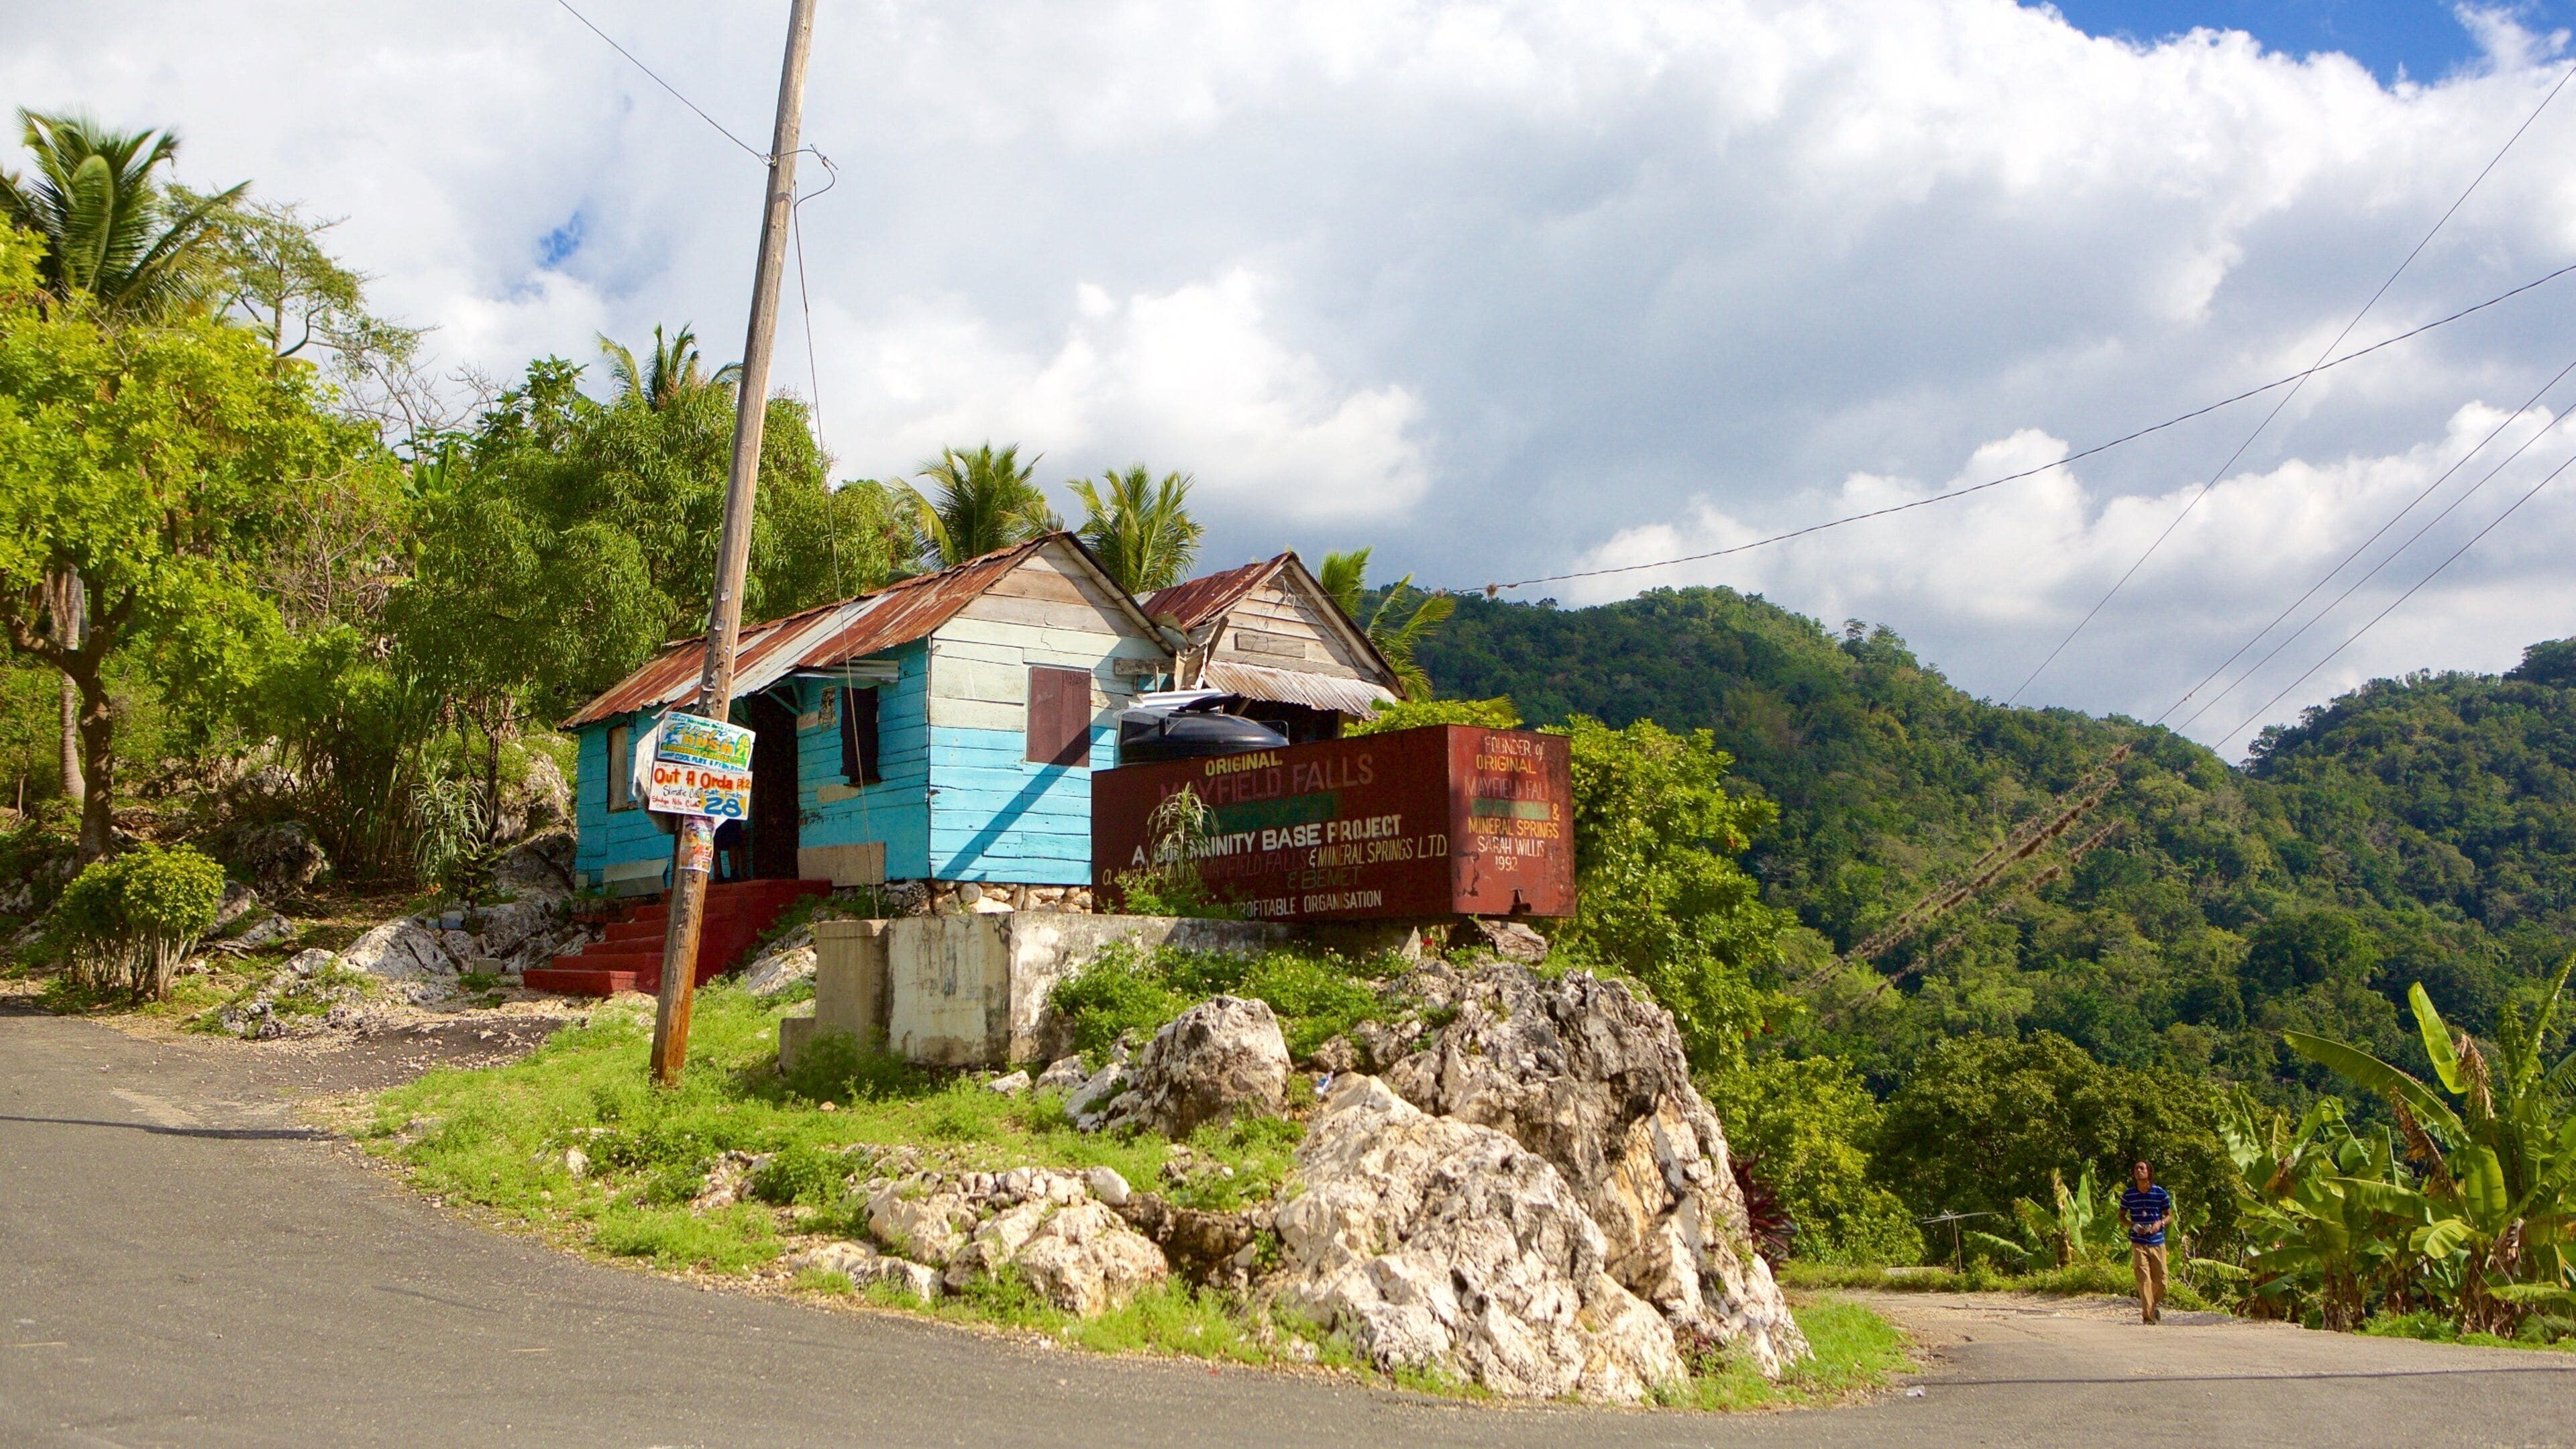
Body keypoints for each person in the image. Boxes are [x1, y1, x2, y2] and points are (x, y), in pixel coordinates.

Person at [2121, 1160, 2174, 1324]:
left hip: (2157, 1241)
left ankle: (2151, 1305)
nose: (2138, 1171)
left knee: (2162, 1280)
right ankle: (2148, 1318)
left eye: (2142, 1168)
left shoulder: (2160, 1193)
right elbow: (2121, 1217)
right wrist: (2133, 1225)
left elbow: (2170, 1216)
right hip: (2138, 1241)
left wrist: (2161, 1223)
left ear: (2149, 1172)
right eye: (2136, 1168)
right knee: (2143, 1279)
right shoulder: (2129, 1195)